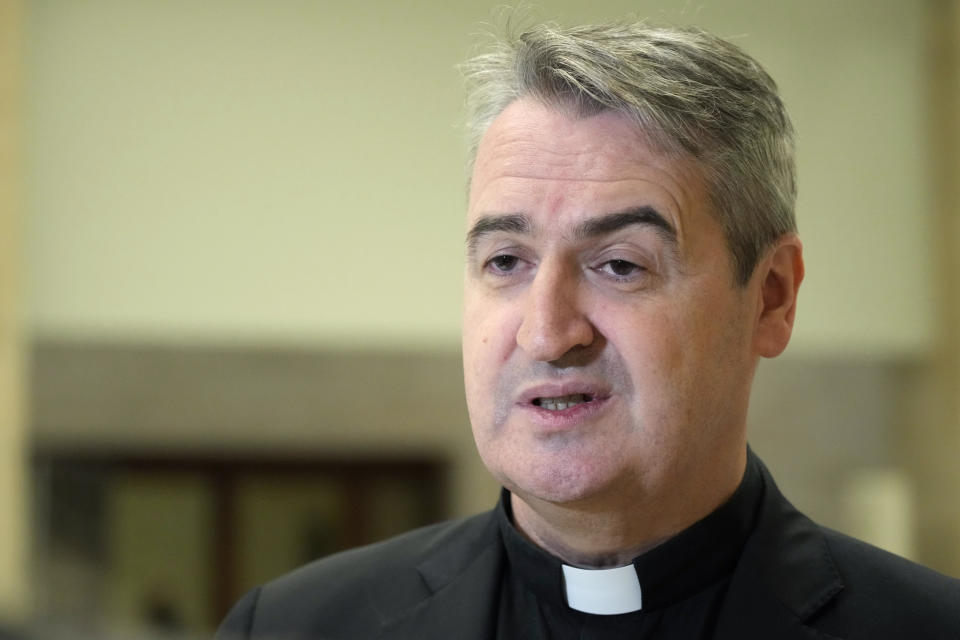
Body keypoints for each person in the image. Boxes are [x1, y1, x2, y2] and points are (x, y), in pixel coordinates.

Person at [215, 20, 960, 640]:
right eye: (506, 260)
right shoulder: (293, 628)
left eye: (619, 266)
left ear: (769, 298)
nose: (548, 333)